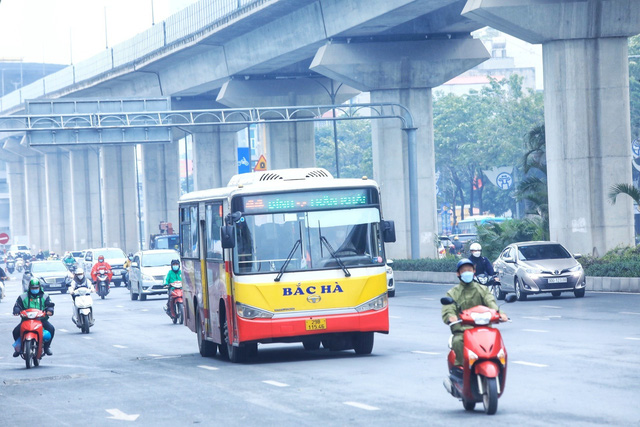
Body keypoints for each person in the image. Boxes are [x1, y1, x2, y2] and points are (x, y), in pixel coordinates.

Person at [441, 259, 508, 375]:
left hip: (483, 328)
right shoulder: (452, 293)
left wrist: (500, 313)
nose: (467, 273)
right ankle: (460, 368)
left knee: (496, 338)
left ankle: (497, 363)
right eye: (463, 271)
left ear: (474, 272)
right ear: (458, 274)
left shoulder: (482, 289)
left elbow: (491, 303)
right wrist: (451, 317)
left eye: (469, 270)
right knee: (458, 341)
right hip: (463, 330)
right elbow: (448, 309)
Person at [12, 278, 55, 356]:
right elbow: (17, 305)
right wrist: (16, 311)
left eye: (36, 288)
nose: (34, 289)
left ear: (39, 287)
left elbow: (49, 305)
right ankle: (19, 348)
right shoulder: (23, 296)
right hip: (26, 320)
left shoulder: (45, 296)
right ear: (29, 288)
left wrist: (50, 311)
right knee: (15, 331)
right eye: (33, 288)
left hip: (41, 319)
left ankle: (46, 347)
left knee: (51, 329)